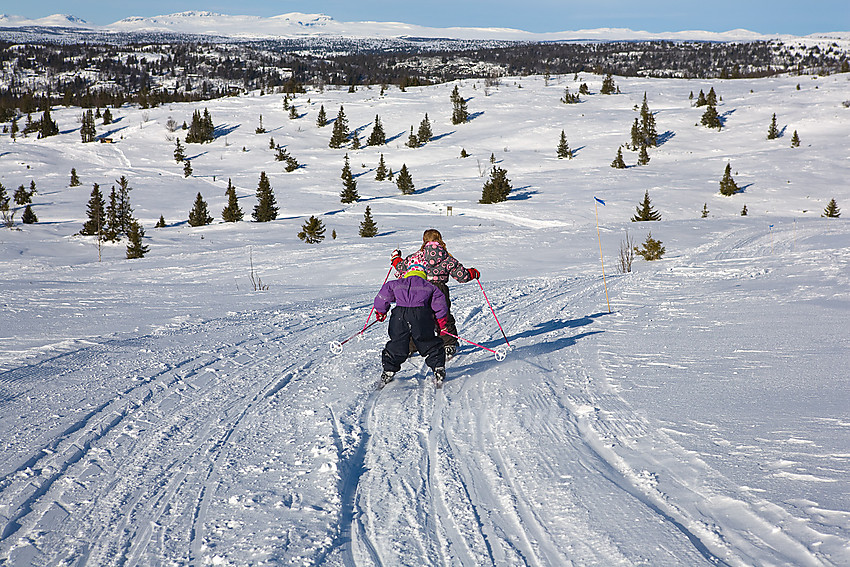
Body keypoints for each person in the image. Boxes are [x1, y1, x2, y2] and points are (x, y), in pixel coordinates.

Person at [391, 229, 480, 358]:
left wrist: (395, 258)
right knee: (443, 315)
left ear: (424, 240)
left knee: (418, 317)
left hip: (420, 289)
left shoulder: (416, 256)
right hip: (439, 289)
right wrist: (473, 273)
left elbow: (402, 267)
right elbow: (462, 276)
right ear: (440, 239)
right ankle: (448, 344)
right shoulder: (446, 257)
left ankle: (412, 345)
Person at [374, 262, 449, 387]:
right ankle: (438, 367)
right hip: (421, 316)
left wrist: (381, 312)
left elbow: (383, 296)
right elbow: (440, 305)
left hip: (399, 315)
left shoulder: (396, 283)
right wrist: (441, 323)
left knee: (397, 341)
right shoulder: (430, 286)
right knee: (427, 341)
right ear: (424, 274)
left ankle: (389, 370)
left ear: (408, 273)